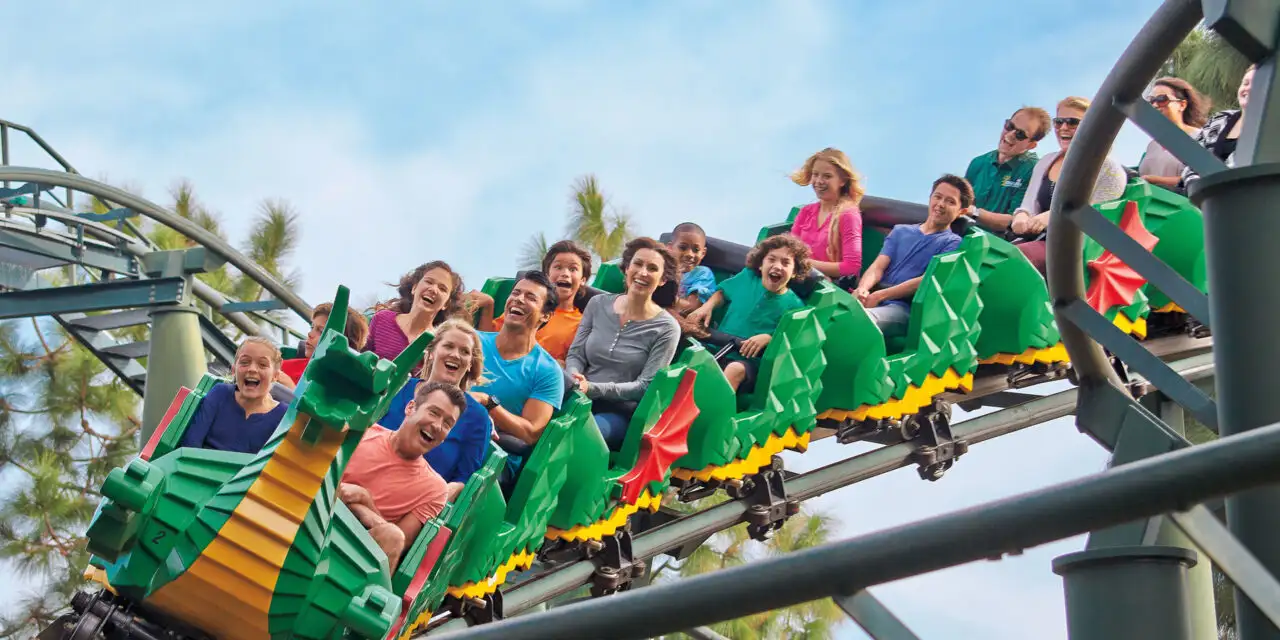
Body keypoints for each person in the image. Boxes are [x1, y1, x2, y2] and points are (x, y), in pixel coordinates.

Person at [566, 237, 681, 450]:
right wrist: (574, 379)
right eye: (638, 264)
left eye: (652, 268)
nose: (643, 272)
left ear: (663, 279)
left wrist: (591, 388)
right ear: (627, 268)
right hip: (575, 395)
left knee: (578, 436)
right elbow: (576, 353)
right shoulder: (598, 304)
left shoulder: (667, 328)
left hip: (618, 410)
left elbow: (644, 386)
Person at [339, 380, 463, 570]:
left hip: (356, 551)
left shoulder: (433, 489)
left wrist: (365, 499)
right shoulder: (365, 433)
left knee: (392, 536)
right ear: (411, 407)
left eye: (447, 423)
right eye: (434, 412)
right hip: (317, 516)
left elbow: (396, 543)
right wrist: (357, 504)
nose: (438, 425)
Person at [1009, 96, 1128, 273]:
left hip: (1076, 251)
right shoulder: (1046, 162)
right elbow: (1028, 205)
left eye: (1073, 122)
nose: (1064, 128)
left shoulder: (1108, 168)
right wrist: (1022, 216)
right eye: (1059, 122)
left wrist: (1053, 217)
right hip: (1038, 239)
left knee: (1017, 261)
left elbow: (1098, 218)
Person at [379, 319, 492, 493]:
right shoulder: (399, 385)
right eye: (448, 346)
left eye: (465, 351)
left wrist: (432, 501)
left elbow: (464, 480)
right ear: (431, 352)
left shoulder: (477, 417)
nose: (455, 355)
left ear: (470, 363)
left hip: (415, 499)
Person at [688, 234, 809, 393]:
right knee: (689, 353)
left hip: (749, 364)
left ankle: (714, 412)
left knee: (734, 369)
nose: (777, 266)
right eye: (771, 260)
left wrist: (769, 338)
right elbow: (723, 292)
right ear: (760, 265)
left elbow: (790, 340)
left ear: (794, 272)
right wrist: (708, 306)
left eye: (786, 263)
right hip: (718, 348)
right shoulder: (748, 278)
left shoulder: (795, 306)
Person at [854, 175, 969, 336]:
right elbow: (878, 266)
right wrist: (863, 289)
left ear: (961, 211)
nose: (941, 204)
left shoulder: (953, 242)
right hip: (876, 296)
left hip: (902, 309)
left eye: (950, 202)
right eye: (938, 197)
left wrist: (881, 295)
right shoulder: (900, 231)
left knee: (861, 320)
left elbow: (927, 279)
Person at [469, 271, 565, 448]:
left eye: (531, 297)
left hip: (490, 451)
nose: (519, 299)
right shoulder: (472, 340)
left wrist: (487, 403)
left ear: (546, 315)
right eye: (515, 293)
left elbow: (531, 432)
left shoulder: (547, 371)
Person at [179, 337, 290, 454]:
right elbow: (190, 445)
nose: (252, 369)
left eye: (262, 365)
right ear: (233, 370)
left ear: (275, 375)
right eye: (244, 362)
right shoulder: (220, 394)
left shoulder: (284, 415)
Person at [489, 240, 593, 364]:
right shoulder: (524, 306)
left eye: (573, 269)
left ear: (583, 279)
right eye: (558, 267)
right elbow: (488, 339)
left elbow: (575, 362)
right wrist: (487, 306)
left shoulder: (581, 323)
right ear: (547, 275)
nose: (565, 274)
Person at [364, 261, 465, 375]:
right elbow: (361, 359)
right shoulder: (382, 319)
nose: (433, 289)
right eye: (429, 281)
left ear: (446, 304)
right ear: (414, 288)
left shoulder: (440, 343)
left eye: (442, 289)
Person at [965, 107, 1050, 234]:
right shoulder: (978, 162)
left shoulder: (1033, 169)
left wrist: (974, 212)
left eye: (1020, 134)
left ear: (1031, 145)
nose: (1010, 135)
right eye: (1009, 126)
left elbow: (1014, 221)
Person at [789, 148, 865, 283]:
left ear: (842, 181)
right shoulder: (806, 212)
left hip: (831, 289)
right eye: (815, 174)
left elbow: (852, 267)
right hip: (800, 278)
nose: (819, 181)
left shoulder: (848, 215)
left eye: (827, 176)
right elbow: (790, 250)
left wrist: (806, 264)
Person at [1184, 65, 1254, 188]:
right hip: (1195, 195)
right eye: (1245, 83)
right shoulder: (1220, 119)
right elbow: (1193, 157)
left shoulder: (1271, 131)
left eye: (1257, 83)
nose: (1248, 88)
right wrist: (1195, 186)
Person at [277, 302, 371, 387]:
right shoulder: (285, 366)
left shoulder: (345, 386)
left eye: (321, 331)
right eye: (312, 327)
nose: (310, 334)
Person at [1139, 77, 1209, 191]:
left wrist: (1157, 180)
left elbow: (1205, 178)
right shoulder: (1152, 145)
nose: (1155, 105)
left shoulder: (1201, 137)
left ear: (1182, 105)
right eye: (1152, 100)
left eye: (1162, 99)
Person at [668, 222, 718, 314]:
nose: (690, 254)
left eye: (696, 250)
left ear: (703, 253)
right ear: (670, 248)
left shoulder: (703, 274)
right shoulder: (663, 269)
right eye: (683, 248)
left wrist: (657, 297)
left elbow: (691, 307)